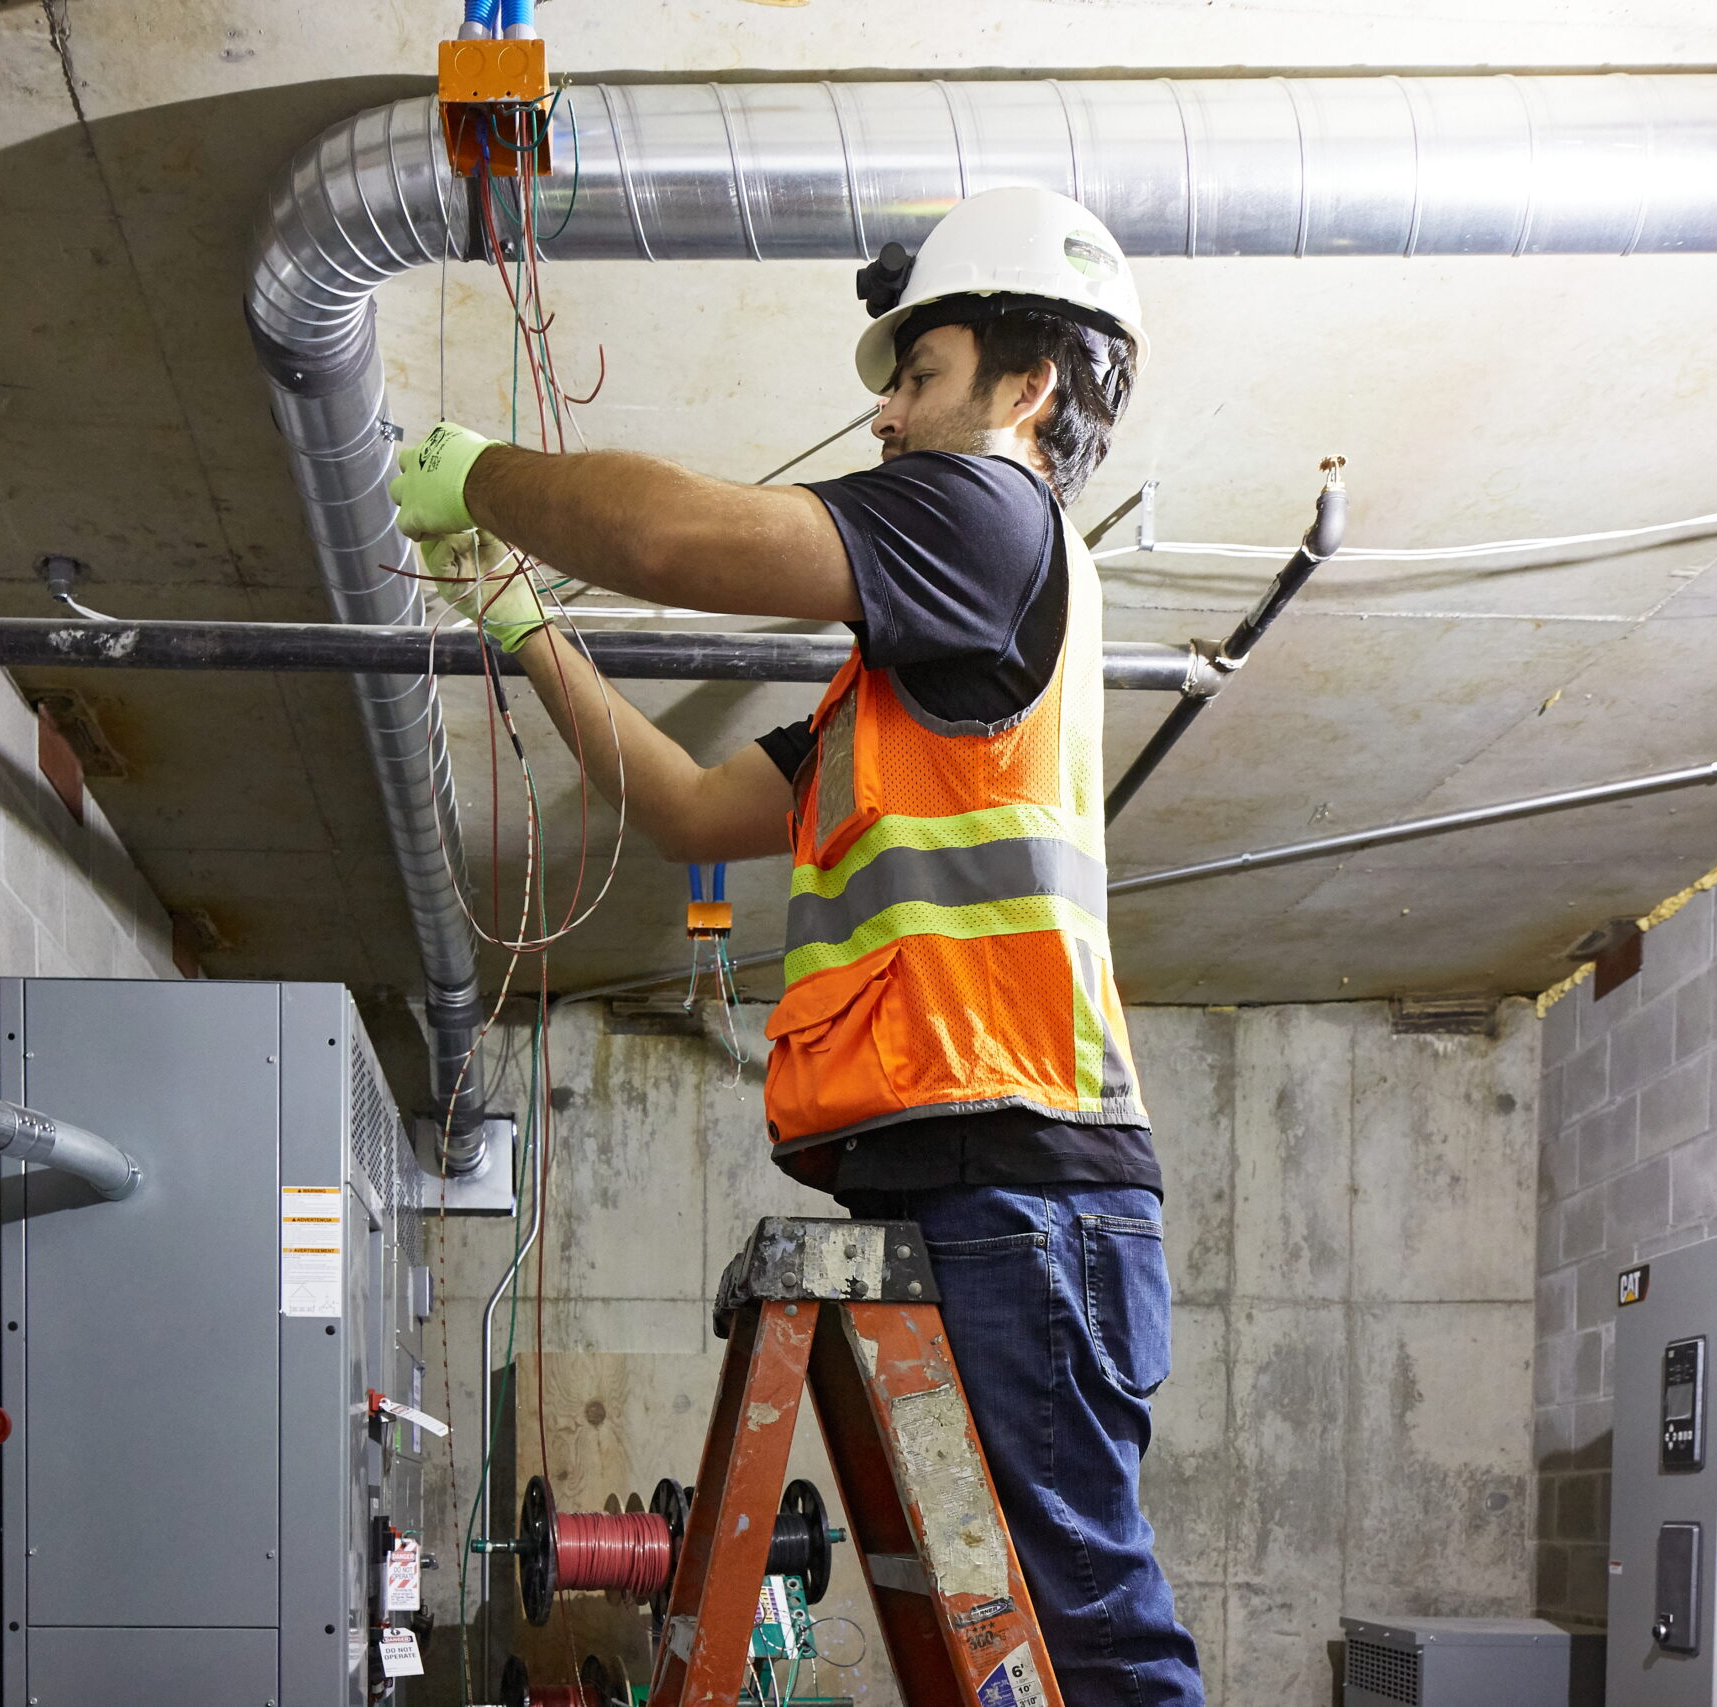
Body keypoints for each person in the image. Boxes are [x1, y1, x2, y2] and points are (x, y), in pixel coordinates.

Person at [389, 186, 1202, 1707]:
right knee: (1044, 1636)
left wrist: (483, 476)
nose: (891, 415)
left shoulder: (993, 513)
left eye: (921, 372)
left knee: (1096, 1637)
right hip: (971, 1171)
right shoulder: (911, 684)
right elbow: (689, 803)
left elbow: (667, 535)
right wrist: (515, 622)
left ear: (1027, 389)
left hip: (1022, 1175)